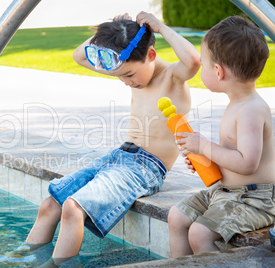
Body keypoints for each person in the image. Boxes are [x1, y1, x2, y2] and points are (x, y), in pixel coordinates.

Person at [26, 11, 200, 267]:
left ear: (151, 55)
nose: (125, 82)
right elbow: (78, 56)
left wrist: (160, 27)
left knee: (73, 208)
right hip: (118, 157)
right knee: (51, 204)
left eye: (129, 75)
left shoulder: (172, 78)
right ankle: (21, 261)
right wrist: (106, 36)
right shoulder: (128, 66)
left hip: (147, 167)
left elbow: (194, 60)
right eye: (120, 76)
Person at [168, 16, 275, 257]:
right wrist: (208, 161)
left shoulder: (251, 109)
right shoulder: (238, 103)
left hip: (253, 200)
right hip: (226, 193)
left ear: (218, 71)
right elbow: (234, 154)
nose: (202, 70)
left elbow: (248, 163)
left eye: (204, 64)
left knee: (199, 233)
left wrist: (205, 146)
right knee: (176, 217)